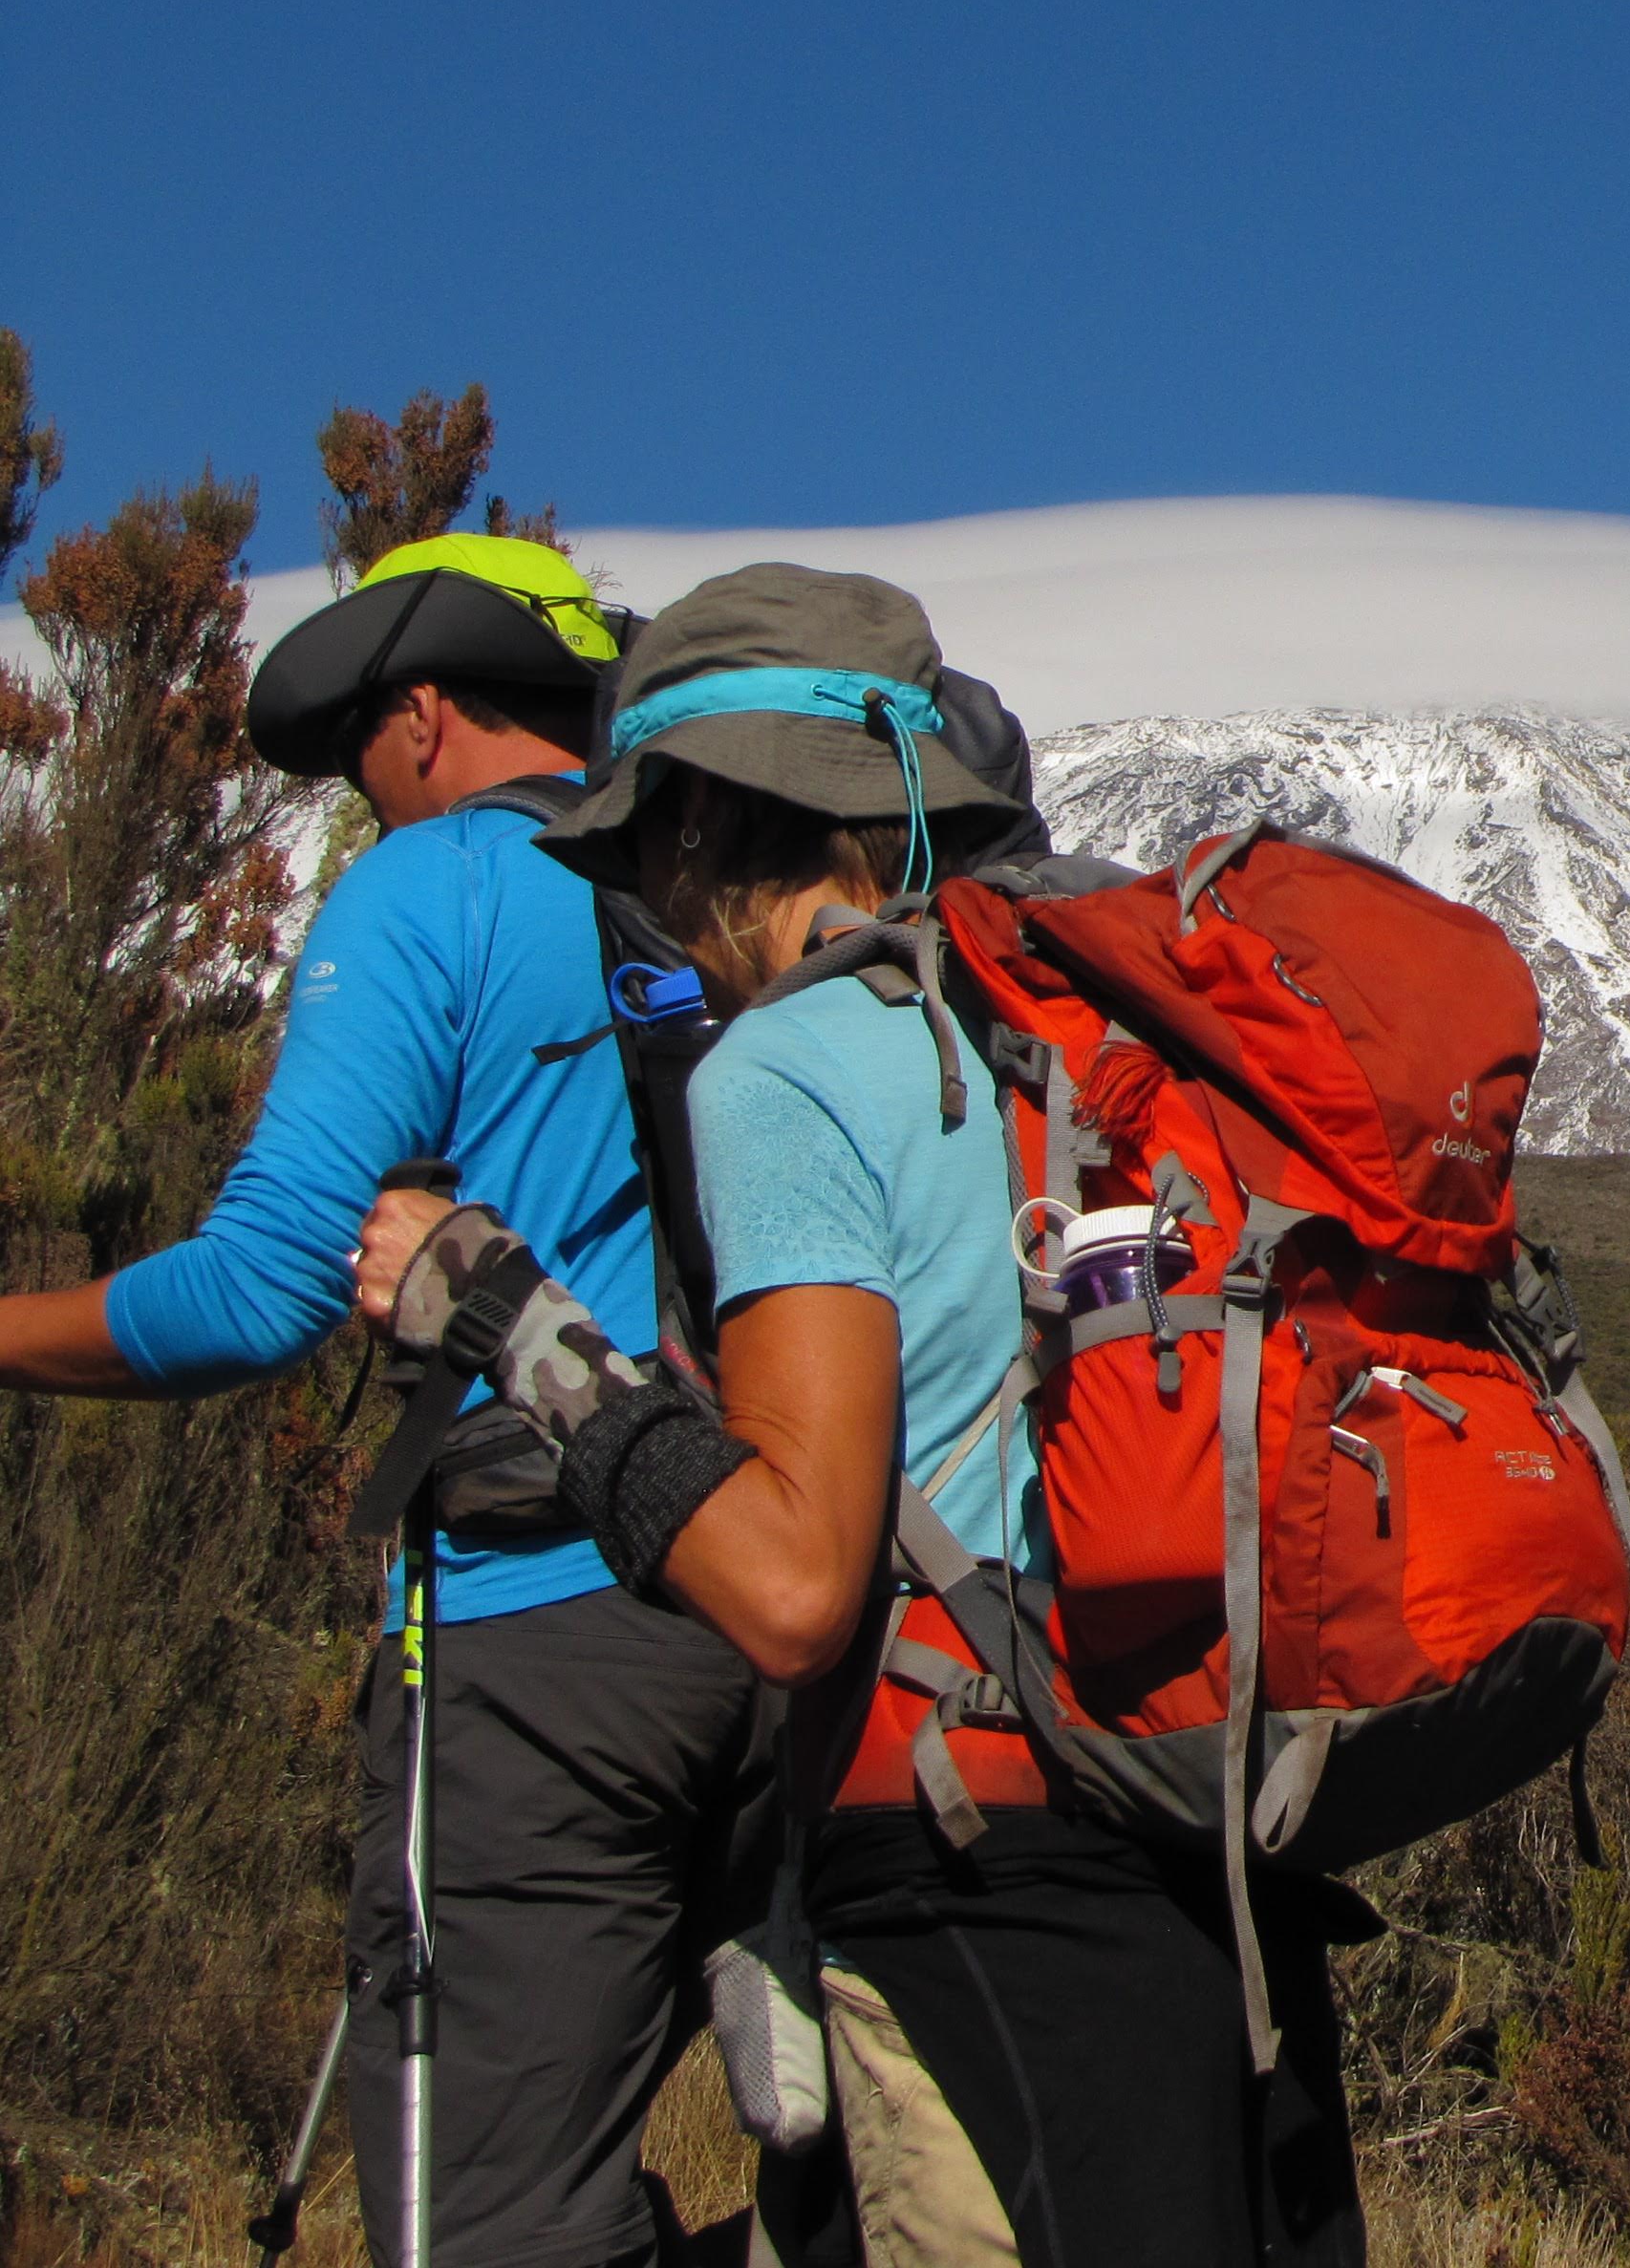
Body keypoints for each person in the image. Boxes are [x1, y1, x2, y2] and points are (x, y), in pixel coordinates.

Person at [351, 562, 1365, 2268]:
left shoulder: (799, 1063)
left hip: (975, 1878)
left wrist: (516, 1324)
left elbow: (797, 1585)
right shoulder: (1094, 1037)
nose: (655, 918)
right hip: (1205, 1863)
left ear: (706, 825)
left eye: (653, 853)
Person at [0, 531, 767, 2268]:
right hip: (777, 1596)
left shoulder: (430, 893)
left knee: (491, 2227)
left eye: (358, 759)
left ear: (421, 715)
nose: (358, 800)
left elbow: (256, 1289)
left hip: (534, 1630)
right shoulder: (719, 892)